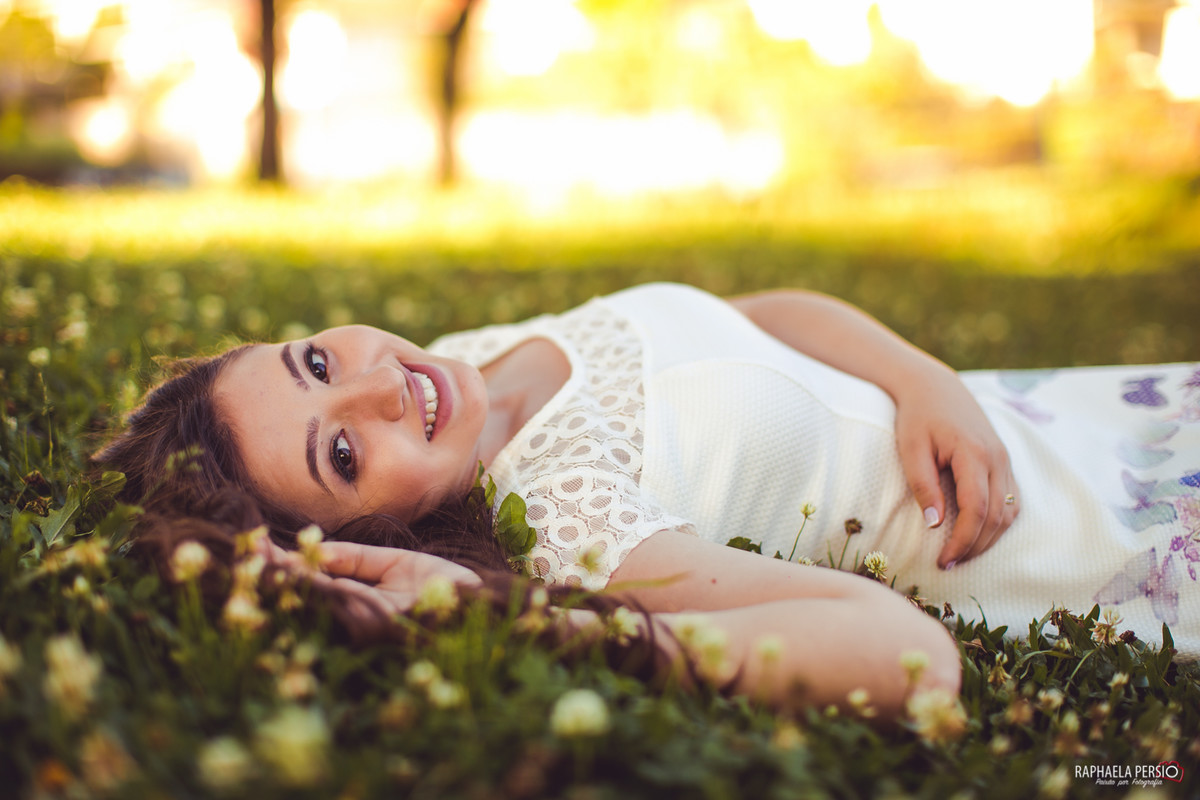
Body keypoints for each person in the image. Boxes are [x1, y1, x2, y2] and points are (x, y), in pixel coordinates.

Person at [96, 282, 1200, 718]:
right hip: (1080, 522)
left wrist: (925, 379)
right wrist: (526, 621)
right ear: (376, 532)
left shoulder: (470, 359)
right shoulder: (569, 522)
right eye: (343, 453)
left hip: (1049, 415)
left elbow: (758, 313)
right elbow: (910, 656)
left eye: (315, 362)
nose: (383, 384)